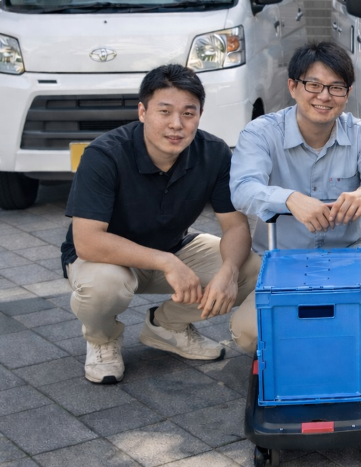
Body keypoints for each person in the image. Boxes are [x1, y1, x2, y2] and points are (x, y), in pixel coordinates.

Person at [61, 64, 261, 384]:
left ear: (200, 115)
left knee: (251, 269)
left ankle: (166, 326)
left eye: (188, 113)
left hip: (173, 247)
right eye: (164, 111)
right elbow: (87, 241)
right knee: (104, 286)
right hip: (106, 258)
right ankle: (102, 340)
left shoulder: (214, 153)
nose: (176, 124)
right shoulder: (104, 154)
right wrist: (167, 262)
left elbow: (235, 226)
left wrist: (228, 272)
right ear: (142, 112)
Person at [228, 41, 361, 353]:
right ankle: (336, 327)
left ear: (348, 93)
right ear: (293, 87)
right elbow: (242, 189)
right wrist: (289, 199)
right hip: (280, 257)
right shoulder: (261, 132)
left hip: (347, 251)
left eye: (336, 87)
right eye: (314, 85)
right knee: (249, 336)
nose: (324, 96)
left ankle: (352, 324)